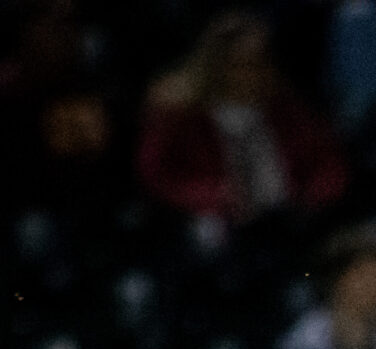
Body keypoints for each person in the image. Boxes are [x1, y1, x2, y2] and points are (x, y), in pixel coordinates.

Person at [136, 12, 347, 230]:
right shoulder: (181, 113)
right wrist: (212, 197)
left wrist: (313, 197)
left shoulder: (284, 108)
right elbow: (157, 174)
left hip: (290, 218)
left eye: (257, 62)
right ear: (215, 65)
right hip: (218, 224)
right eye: (239, 64)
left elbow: (327, 161)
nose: (250, 73)